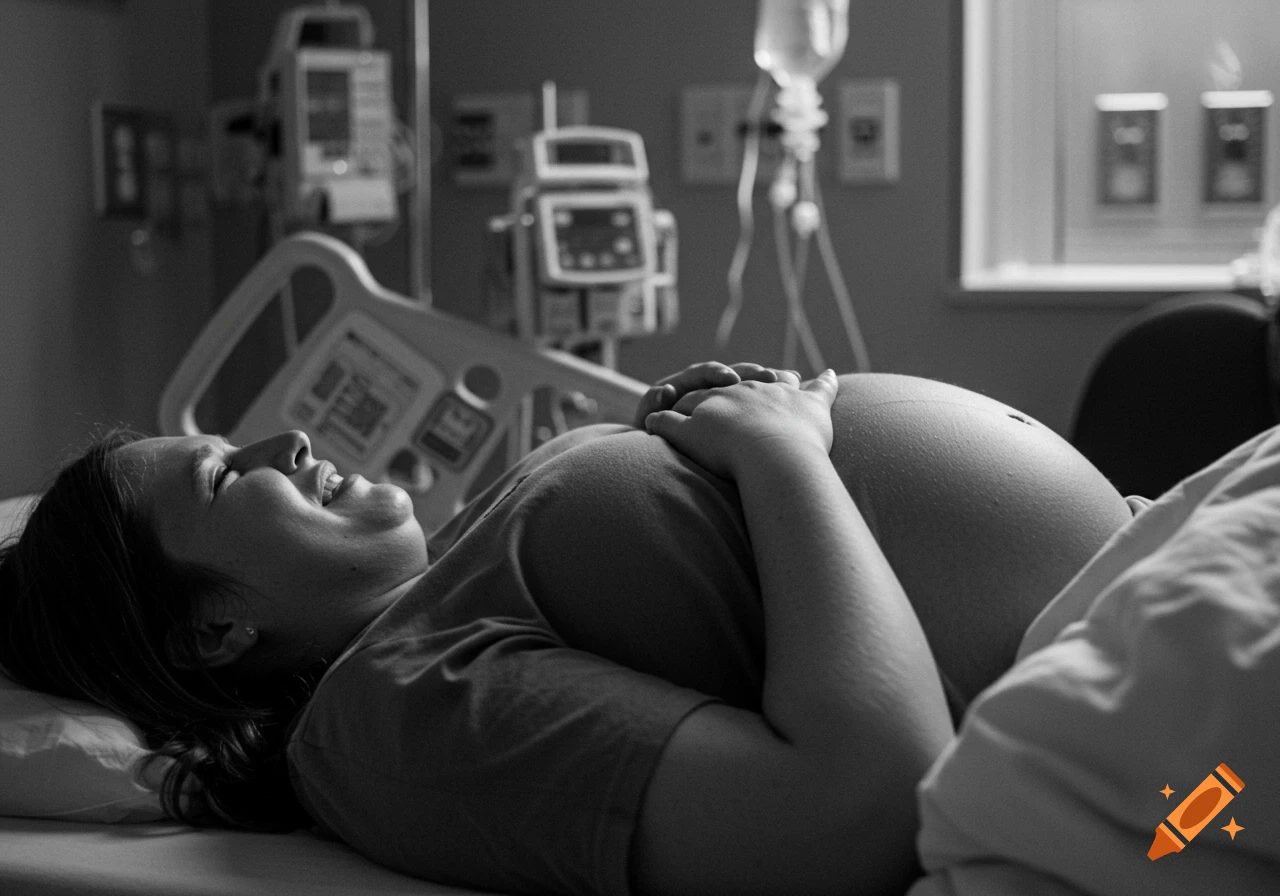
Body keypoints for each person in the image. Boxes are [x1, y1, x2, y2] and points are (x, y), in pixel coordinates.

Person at [0, 363, 1133, 896]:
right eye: (221, 473)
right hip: (1155, 729)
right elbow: (859, 808)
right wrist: (779, 455)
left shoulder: (438, 592)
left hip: (1143, 563)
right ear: (212, 629)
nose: (280, 442)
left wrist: (696, 439)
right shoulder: (395, 716)